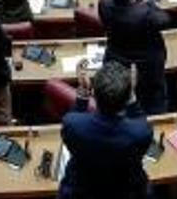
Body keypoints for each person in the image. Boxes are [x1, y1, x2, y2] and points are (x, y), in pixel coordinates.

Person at [59, 61, 153, 199]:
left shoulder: (72, 125)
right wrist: (131, 94)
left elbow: (75, 117)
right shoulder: (141, 133)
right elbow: (140, 121)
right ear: (127, 99)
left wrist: (83, 93)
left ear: (94, 95)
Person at [99, 0, 170, 114]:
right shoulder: (145, 13)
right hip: (146, 65)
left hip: (116, 59)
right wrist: (147, 1)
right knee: (151, 96)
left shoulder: (104, 3)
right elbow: (165, 20)